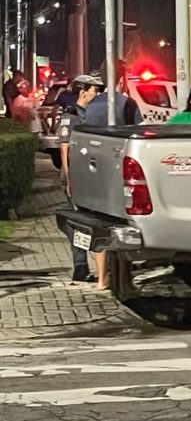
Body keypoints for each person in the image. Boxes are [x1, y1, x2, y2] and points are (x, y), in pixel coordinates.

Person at [59, 74, 108, 285]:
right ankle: (80, 266)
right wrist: (70, 178)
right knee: (80, 223)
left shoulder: (93, 114)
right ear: (83, 92)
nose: (97, 94)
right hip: (76, 178)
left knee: (89, 223)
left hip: (91, 177)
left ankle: (87, 266)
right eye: (94, 90)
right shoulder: (71, 116)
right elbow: (65, 148)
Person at [83, 59, 143, 126]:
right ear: (122, 80)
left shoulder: (90, 104)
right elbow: (140, 130)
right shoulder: (128, 104)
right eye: (127, 78)